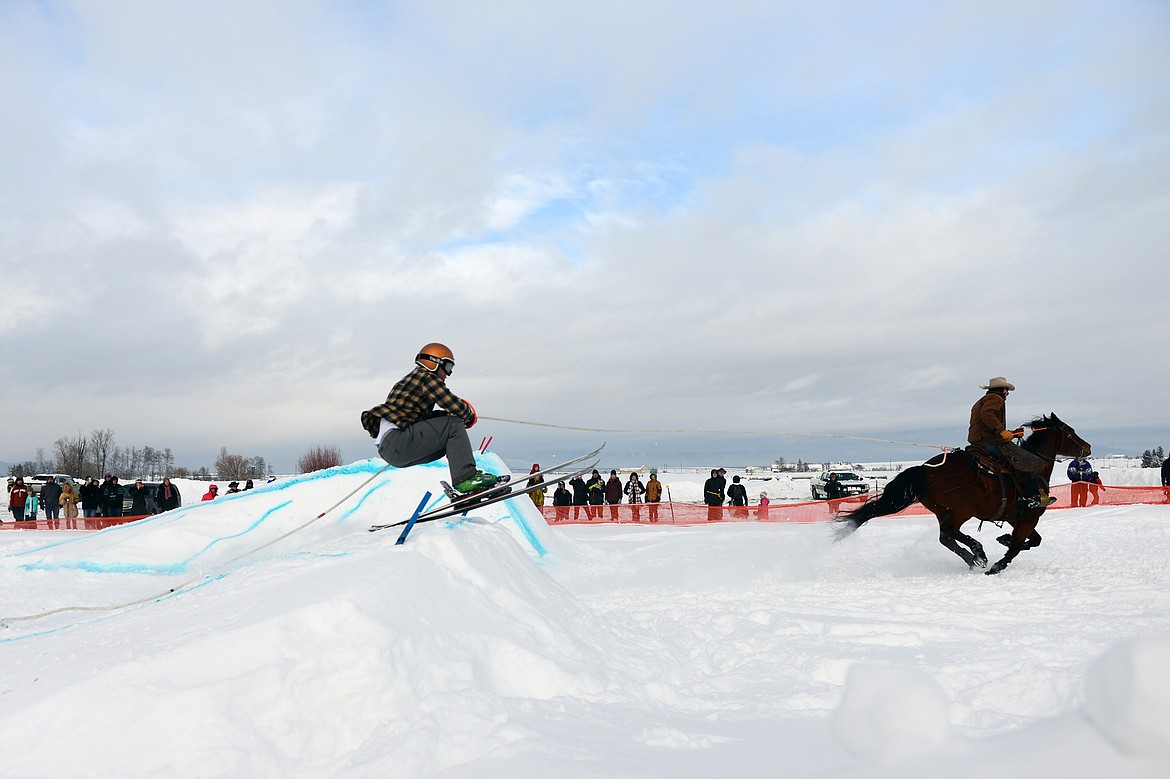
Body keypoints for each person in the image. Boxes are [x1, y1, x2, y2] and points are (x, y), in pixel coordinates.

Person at [361, 342, 498, 497]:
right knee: (454, 424)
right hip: (399, 440)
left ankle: (464, 480)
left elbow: (419, 418)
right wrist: (468, 414)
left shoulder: (410, 380)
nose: (447, 374)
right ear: (434, 363)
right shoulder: (426, 376)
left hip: (392, 448)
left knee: (447, 439)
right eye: (447, 367)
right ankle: (466, 479)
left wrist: (444, 415)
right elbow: (449, 401)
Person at [967, 376, 1050, 508]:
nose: (1008, 393)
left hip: (980, 440)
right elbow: (987, 415)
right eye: (1006, 389)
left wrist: (1012, 433)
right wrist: (1002, 431)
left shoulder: (983, 400)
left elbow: (987, 424)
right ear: (1001, 390)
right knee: (1026, 460)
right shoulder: (996, 398)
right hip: (988, 442)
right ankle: (1031, 497)